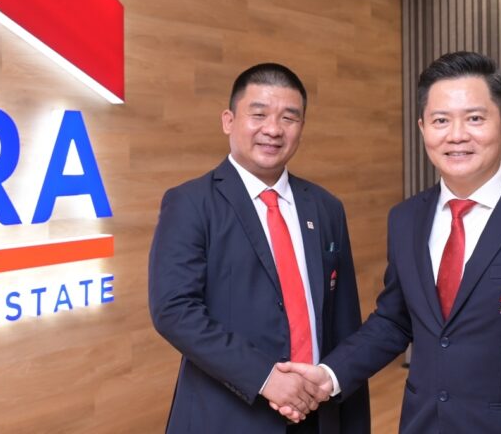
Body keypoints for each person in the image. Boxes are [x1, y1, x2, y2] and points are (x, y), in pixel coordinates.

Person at [279, 51, 501, 433]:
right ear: (423, 128)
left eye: (475, 118)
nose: (456, 135)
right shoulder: (405, 219)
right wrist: (330, 374)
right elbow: (394, 321)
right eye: (441, 120)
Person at [148, 63, 369, 433]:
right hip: (229, 416)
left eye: (289, 118)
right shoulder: (190, 203)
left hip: (318, 412)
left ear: (301, 127)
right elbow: (174, 311)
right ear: (228, 121)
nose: (274, 129)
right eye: (259, 114)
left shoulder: (326, 207)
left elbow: (344, 323)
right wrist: (266, 377)